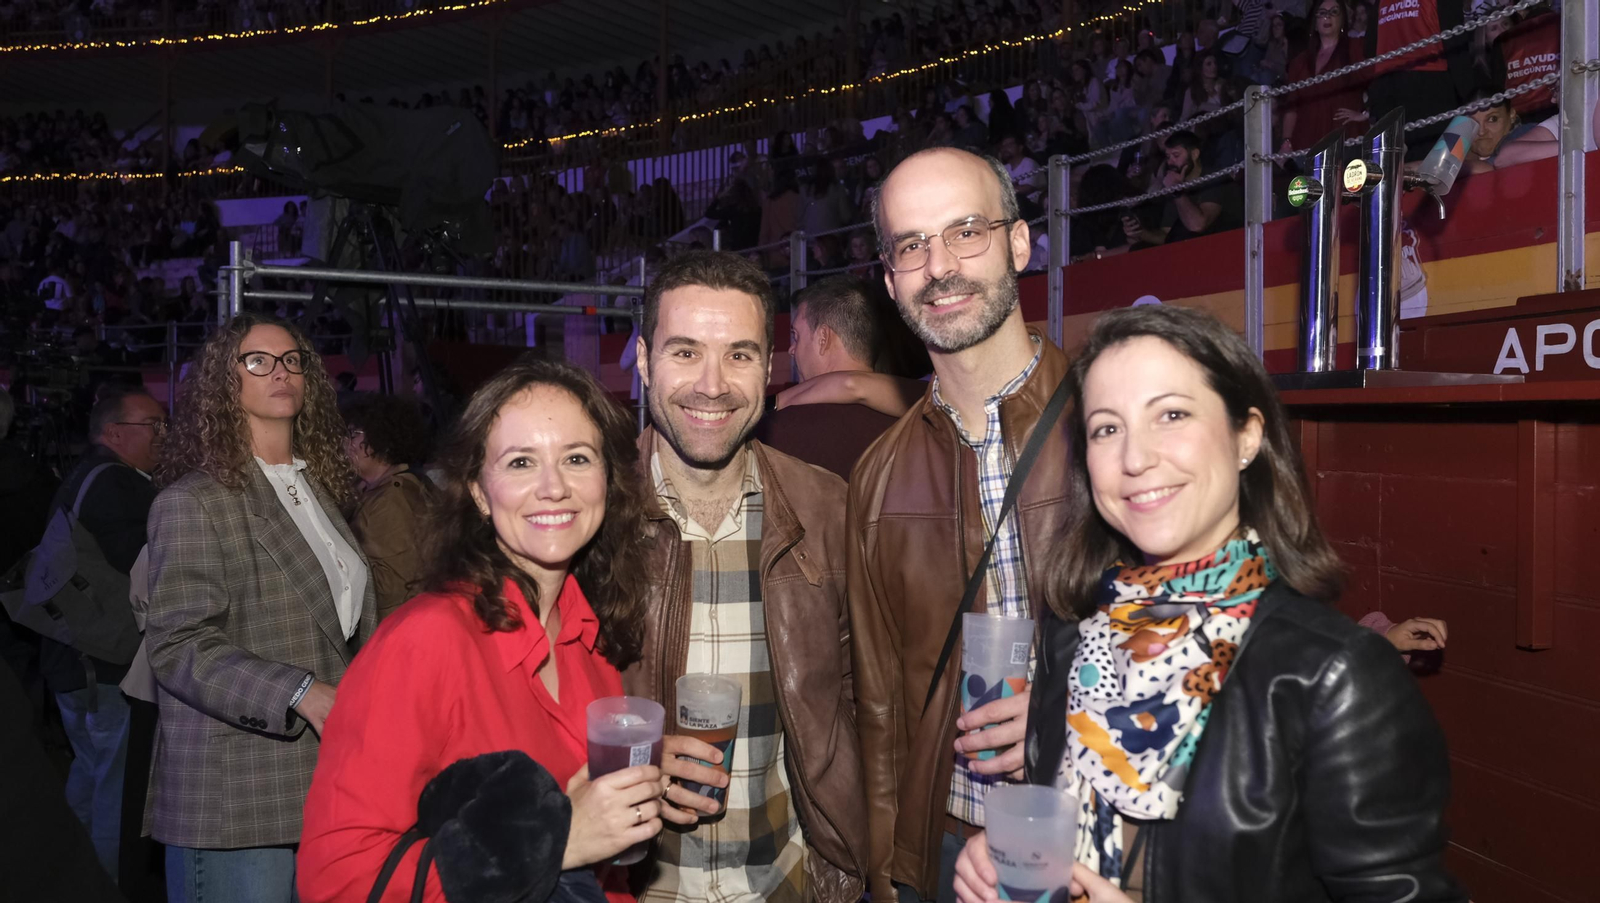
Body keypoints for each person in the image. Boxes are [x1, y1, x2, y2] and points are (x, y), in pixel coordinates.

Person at [950, 304, 1463, 902]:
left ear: (1247, 435)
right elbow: (1065, 824)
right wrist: (1012, 854)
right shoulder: (1074, 635)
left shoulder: (1335, 677)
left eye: (1171, 414)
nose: (1135, 459)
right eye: (1106, 428)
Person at [299, 359, 664, 903]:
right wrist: (555, 842)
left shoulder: (589, 636)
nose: (554, 487)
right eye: (521, 462)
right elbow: (336, 880)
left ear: (607, 480)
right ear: (477, 490)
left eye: (577, 458)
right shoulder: (424, 642)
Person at [851, 147, 1074, 903]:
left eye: (966, 231)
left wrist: (1063, 709)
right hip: (951, 852)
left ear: (1019, 242)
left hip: (1107, 831)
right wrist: (892, 876)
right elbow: (878, 711)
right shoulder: (876, 478)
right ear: (890, 281)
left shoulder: (1113, 421)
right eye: (911, 245)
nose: (938, 264)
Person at [628, 251, 869, 903]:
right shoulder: (591, 515)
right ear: (645, 360)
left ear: (769, 368)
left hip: (787, 885)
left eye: (738, 354)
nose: (712, 384)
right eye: (685, 352)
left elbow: (864, 701)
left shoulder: (828, 510)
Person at [145, 313, 375, 903]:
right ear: (225, 381)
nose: (281, 371)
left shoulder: (318, 492)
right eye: (259, 360)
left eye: (293, 360)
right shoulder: (193, 501)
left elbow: (341, 631)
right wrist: (299, 692)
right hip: (236, 793)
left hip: (322, 783)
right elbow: (178, 645)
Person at [37, 385, 166, 881]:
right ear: (114, 433)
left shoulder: (84, 475)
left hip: (73, 658)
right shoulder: (117, 483)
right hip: (107, 665)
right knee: (119, 792)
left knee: (90, 776)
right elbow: (147, 566)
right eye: (152, 425)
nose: (163, 434)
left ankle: (69, 878)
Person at [756, 277, 907, 479]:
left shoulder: (775, 433)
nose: (791, 349)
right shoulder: (919, 422)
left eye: (796, 335)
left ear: (823, 338)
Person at [340, 393, 435, 622]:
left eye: (352, 435)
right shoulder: (387, 488)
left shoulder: (391, 500)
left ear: (379, 439)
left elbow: (396, 587)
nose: (344, 443)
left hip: (399, 627)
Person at [1123, 131, 1243, 248]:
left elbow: (1197, 225)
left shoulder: (1215, 177)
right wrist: (1140, 233)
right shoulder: (1176, 185)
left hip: (1229, 245)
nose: (1170, 162)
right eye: (1168, 157)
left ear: (1195, 154)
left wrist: (1177, 192)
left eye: (1176, 155)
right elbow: (1167, 236)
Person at [1280, 0, 1368, 157]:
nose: (1327, 17)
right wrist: (1286, 142)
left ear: (1342, 19)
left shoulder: (1356, 48)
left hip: (1344, 139)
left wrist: (1364, 115)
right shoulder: (1299, 62)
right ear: (1314, 22)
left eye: (1334, 12)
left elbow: (1380, 82)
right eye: (1322, 13)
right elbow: (1291, 107)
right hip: (1306, 142)